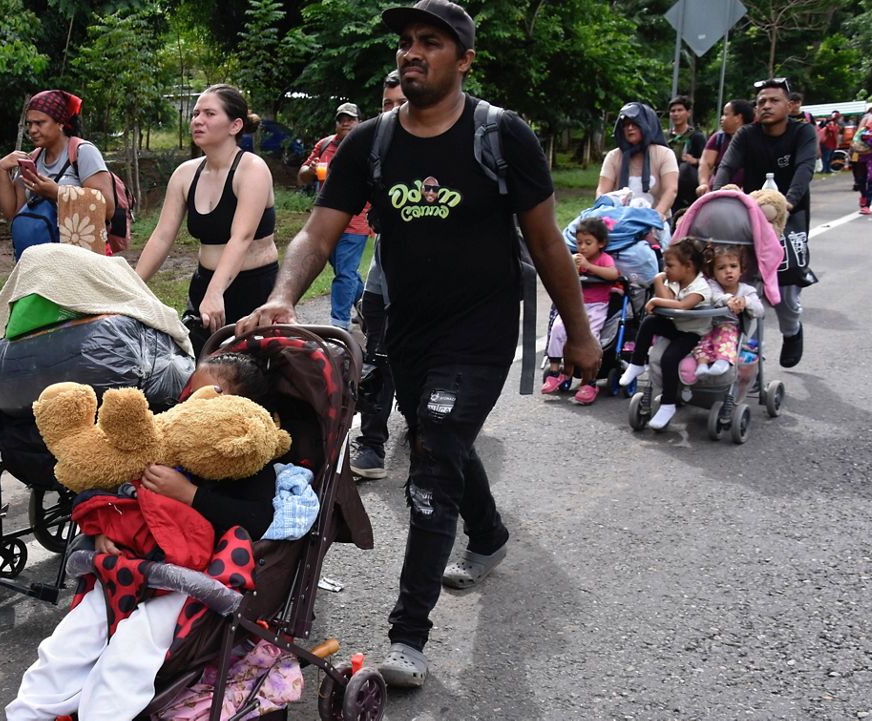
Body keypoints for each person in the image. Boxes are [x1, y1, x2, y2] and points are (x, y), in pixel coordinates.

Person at [236, 0, 601, 690]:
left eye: (430, 42)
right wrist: (284, 294)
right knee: (440, 435)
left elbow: (549, 240)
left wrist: (578, 332)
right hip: (407, 328)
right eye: (406, 42)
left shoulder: (502, 136)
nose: (412, 52)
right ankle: (488, 534)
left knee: (431, 455)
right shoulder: (369, 143)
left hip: (485, 327)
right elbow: (318, 232)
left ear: (463, 59)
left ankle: (408, 635)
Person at [5, 353, 277, 721]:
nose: (191, 402)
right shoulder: (162, 442)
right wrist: (101, 529)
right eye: (189, 393)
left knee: (133, 647)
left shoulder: (247, 463)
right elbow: (107, 486)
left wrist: (190, 495)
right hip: (130, 563)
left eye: (210, 394)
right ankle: (28, 713)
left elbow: (256, 520)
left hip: (191, 578)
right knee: (72, 637)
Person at [136, 85, 279, 355]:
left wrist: (216, 293)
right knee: (195, 370)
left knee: (253, 378)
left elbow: (242, 237)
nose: (198, 120)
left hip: (255, 289)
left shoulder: (252, 169)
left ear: (235, 125)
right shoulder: (185, 174)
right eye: (196, 113)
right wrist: (132, 285)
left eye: (210, 114)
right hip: (204, 284)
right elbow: (162, 237)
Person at [712, 78, 818, 369]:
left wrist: (788, 202)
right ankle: (741, 352)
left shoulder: (803, 132)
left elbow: (804, 169)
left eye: (774, 100)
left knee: (785, 288)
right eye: (761, 102)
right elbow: (727, 167)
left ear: (789, 105)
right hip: (749, 214)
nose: (767, 106)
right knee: (738, 279)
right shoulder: (746, 134)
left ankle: (792, 330)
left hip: (789, 216)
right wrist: (717, 196)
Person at [350, 70, 407, 481]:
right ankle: (371, 445)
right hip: (381, 280)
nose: (392, 113)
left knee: (423, 366)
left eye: (400, 103)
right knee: (377, 359)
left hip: (437, 290)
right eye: (386, 105)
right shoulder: (376, 149)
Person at [617, 238, 713, 429]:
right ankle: (637, 364)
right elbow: (665, 298)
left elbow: (683, 306)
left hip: (693, 334)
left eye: (669, 265)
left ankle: (668, 404)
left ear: (688, 266)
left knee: (669, 359)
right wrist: (658, 280)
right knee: (650, 322)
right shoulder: (677, 282)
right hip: (677, 328)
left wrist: (656, 302)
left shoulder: (701, 287)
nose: (665, 269)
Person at [0, 89, 115, 242]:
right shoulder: (33, 159)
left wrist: (57, 192)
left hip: (79, 256)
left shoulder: (83, 153)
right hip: (39, 257)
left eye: (40, 123)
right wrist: (2, 169)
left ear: (60, 123)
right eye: (29, 124)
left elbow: (107, 208)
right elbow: (13, 213)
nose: (32, 130)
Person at [298, 103, 371, 331]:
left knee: (345, 273)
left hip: (356, 222)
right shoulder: (325, 144)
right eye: (342, 119)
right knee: (343, 271)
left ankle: (339, 326)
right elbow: (302, 177)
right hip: (327, 222)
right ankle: (367, 305)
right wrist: (309, 171)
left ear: (360, 122)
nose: (346, 123)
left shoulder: (367, 144)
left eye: (351, 119)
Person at [541, 217, 619, 405]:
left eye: (588, 243)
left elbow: (613, 274)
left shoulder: (604, 259)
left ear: (601, 243)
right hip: (576, 305)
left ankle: (588, 381)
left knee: (590, 336)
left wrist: (589, 267)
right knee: (558, 329)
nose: (582, 247)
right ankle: (555, 371)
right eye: (579, 243)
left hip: (597, 306)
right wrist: (575, 268)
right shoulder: (576, 258)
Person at [678, 244, 764, 384]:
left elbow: (759, 310)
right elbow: (715, 296)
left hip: (733, 330)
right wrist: (729, 300)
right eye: (721, 268)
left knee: (725, 330)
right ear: (713, 273)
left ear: (741, 270)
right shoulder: (711, 285)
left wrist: (746, 302)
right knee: (700, 338)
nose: (728, 271)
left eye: (733, 266)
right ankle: (702, 365)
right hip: (709, 326)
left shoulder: (747, 290)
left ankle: (722, 360)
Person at [597, 102, 678, 222]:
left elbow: (671, 190)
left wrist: (655, 217)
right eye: (626, 125)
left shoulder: (664, 154)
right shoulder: (613, 156)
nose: (630, 128)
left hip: (656, 222)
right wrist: (604, 215)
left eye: (635, 124)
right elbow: (602, 191)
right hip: (619, 221)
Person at [697, 99, 754, 196]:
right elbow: (706, 162)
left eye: (726, 114)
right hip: (717, 192)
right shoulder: (718, 137)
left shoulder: (754, 138)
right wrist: (703, 184)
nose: (722, 118)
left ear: (738, 117)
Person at [666, 95, 706, 214]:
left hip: (688, 186)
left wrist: (695, 161)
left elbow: (708, 163)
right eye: (673, 111)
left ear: (688, 113)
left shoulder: (696, 137)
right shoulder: (665, 137)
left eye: (680, 110)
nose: (676, 114)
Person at [817, 110, 843, 174]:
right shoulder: (830, 124)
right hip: (827, 144)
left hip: (831, 144)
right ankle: (824, 170)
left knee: (830, 158)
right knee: (825, 158)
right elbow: (834, 132)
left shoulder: (835, 124)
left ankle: (828, 170)